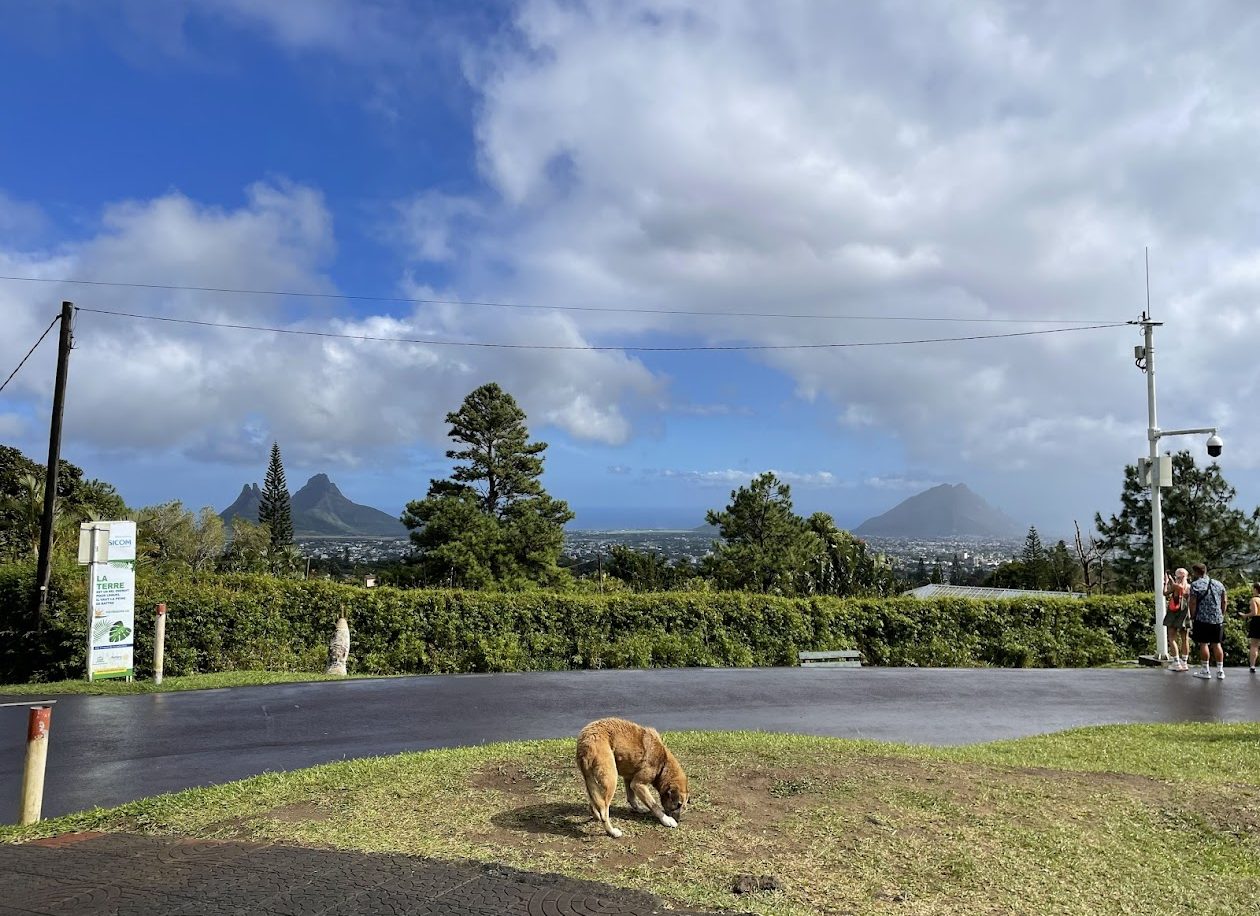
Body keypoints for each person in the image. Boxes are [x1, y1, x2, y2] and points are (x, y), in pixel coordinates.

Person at [1188, 563, 1227, 680]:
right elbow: (1224, 601)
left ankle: (1205, 670)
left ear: (1196, 572)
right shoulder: (1218, 584)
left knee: (1203, 644)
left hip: (1202, 619)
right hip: (1217, 619)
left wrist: (1192, 615)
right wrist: (1221, 614)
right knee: (1217, 644)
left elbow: (1193, 602)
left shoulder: (1195, 585)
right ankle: (1220, 671)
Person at [1163, 568, 1191, 671]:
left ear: (1177, 576)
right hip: (1185, 613)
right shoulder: (1189, 587)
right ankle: (1185, 662)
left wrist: (1166, 583)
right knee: (1185, 638)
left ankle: (1176, 662)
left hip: (1174, 613)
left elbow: (1165, 593)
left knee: (1171, 637)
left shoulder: (1175, 586)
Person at [1243, 582, 1260, 675]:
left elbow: (1254, 612)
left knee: (1254, 645)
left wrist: (1245, 615)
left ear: (1256, 589)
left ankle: (1252, 665)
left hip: (1257, 621)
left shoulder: (1254, 599)